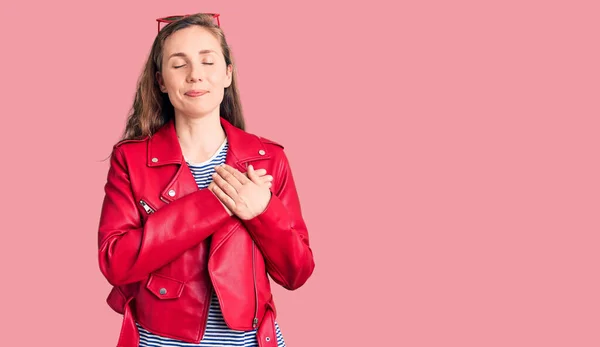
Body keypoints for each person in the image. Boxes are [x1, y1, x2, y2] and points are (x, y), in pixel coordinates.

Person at [97, 13, 315, 347]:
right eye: (178, 64)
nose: (195, 75)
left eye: (208, 61)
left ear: (228, 74)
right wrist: (217, 203)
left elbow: (296, 272)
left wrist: (262, 211)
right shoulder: (130, 160)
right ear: (160, 81)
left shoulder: (268, 158)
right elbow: (116, 262)